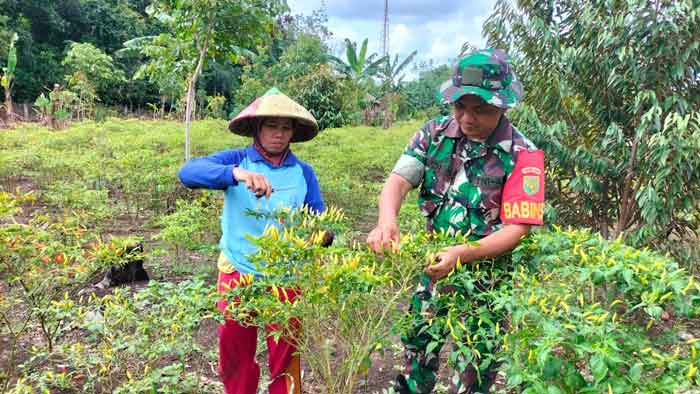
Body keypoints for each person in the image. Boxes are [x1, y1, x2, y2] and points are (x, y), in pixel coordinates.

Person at [367, 48, 545, 394]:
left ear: (503, 106)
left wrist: (463, 254)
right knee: (417, 349)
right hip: (433, 268)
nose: (467, 117)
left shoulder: (525, 156)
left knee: (476, 365)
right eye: (460, 106)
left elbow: (517, 228)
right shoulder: (433, 134)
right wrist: (386, 219)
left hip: (486, 282)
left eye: (481, 109)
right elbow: (399, 181)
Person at [178, 87, 325, 394]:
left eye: (286, 128)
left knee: (286, 355)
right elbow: (188, 172)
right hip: (238, 271)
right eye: (272, 126)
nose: (279, 134)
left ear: (294, 133)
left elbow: (319, 220)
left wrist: (319, 238)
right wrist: (238, 175)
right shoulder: (237, 160)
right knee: (235, 354)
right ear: (257, 129)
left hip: (287, 277)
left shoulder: (304, 173)